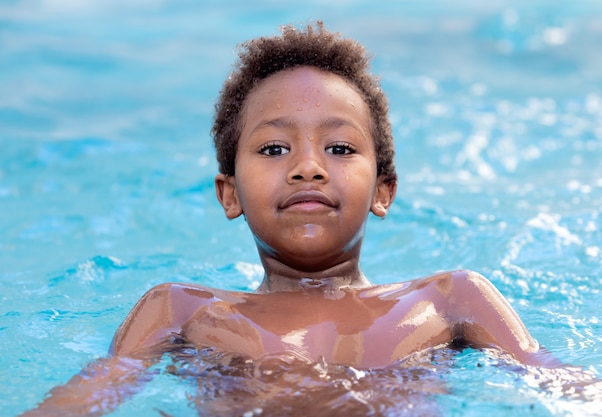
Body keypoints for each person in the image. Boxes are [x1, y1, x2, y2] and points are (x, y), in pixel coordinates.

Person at [22, 21, 564, 417]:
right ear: (229, 194)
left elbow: (568, 390)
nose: (308, 167)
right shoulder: (182, 309)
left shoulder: (448, 300)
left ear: (384, 190)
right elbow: (86, 397)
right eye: (275, 149)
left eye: (341, 149)